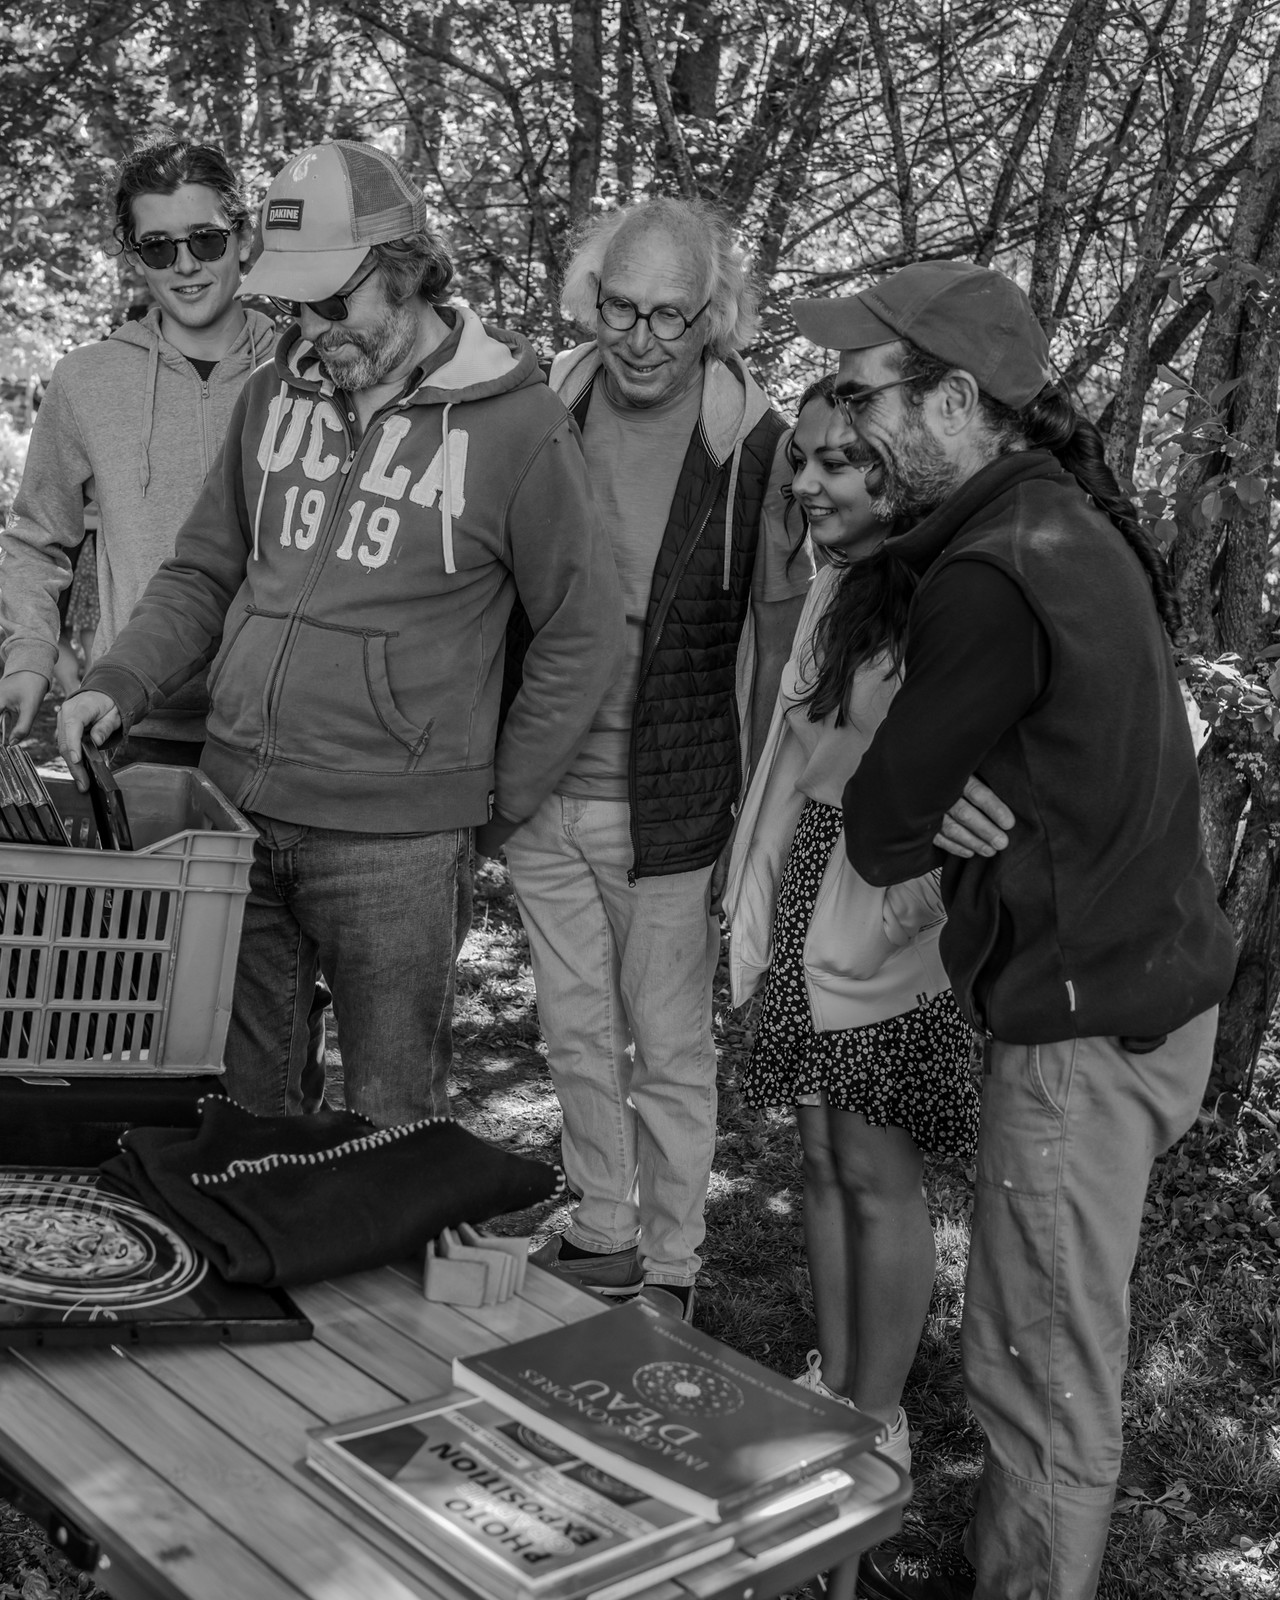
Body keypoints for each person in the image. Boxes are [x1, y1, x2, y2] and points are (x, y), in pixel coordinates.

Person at [790, 260, 1237, 1600]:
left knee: (1039, 1372)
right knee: (1034, 1346)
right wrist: (957, 787)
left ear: (953, 404)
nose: (846, 422)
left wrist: (933, 793)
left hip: (1084, 1024)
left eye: (866, 393)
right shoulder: (1057, 521)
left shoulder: (993, 569)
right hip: (1138, 993)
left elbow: (881, 826)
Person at [61, 140, 623, 1129]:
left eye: (330, 304)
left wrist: (493, 802)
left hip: (397, 844)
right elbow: (203, 571)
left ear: (404, 272)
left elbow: (580, 635)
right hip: (236, 808)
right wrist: (117, 681)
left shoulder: (520, 427)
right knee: (240, 1114)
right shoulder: (272, 394)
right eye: (293, 307)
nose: (312, 332)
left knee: (388, 1126)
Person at [510, 197, 814, 1324]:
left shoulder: (758, 449)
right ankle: (601, 1228)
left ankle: (672, 1263)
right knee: (574, 1032)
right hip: (542, 788)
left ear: (712, 318)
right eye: (620, 308)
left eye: (669, 316)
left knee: (672, 1048)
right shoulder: (538, 410)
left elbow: (780, 644)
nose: (641, 340)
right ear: (590, 303)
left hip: (675, 802)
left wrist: (757, 813)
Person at [724, 377, 979, 1488]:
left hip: (886, 897)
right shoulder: (840, 584)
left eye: (837, 461)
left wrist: (910, 911)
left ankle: (879, 1419)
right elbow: (802, 754)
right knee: (822, 1156)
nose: (807, 480)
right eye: (804, 458)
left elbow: (962, 771)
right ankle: (830, 1384)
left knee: (877, 1169)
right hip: (812, 879)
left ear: (897, 471)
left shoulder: (950, 591)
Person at [0, 138, 278, 761]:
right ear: (136, 256)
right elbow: (37, 539)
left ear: (244, 240)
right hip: (130, 718)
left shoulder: (305, 371)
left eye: (206, 240)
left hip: (278, 727)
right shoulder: (87, 379)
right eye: (158, 246)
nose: (184, 265)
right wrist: (28, 659)